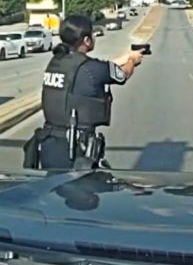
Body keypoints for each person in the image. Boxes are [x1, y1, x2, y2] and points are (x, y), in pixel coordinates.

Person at [25, 15, 144, 170]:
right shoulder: (91, 69)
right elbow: (122, 75)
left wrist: (126, 56)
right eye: (92, 35)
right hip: (77, 151)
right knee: (85, 191)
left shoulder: (56, 62)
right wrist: (132, 61)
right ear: (87, 41)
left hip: (48, 146)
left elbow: (100, 68)